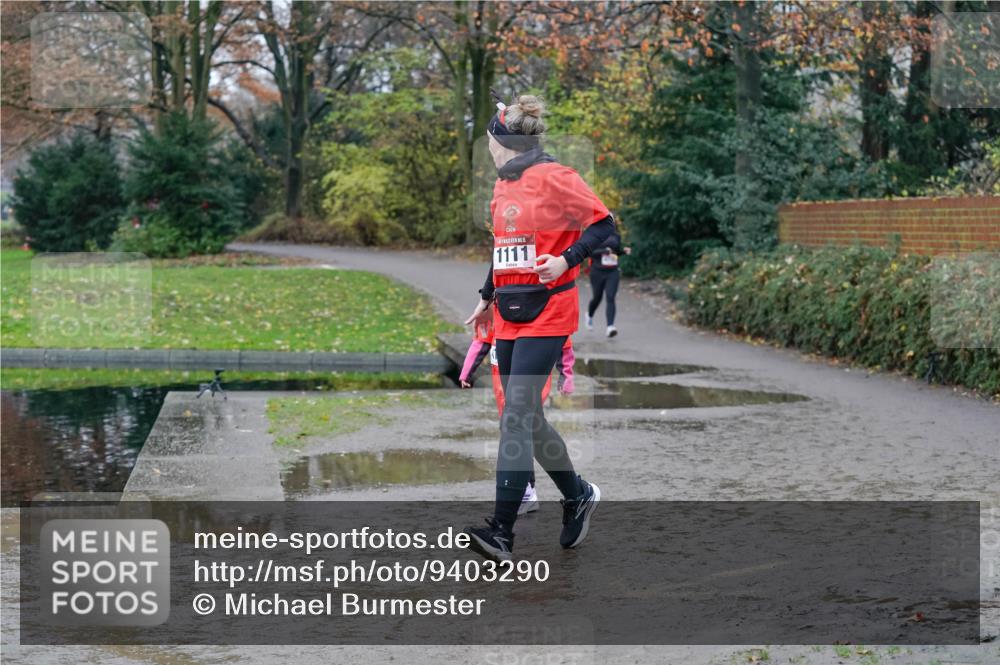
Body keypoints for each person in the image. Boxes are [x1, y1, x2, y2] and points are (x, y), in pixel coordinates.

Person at [462, 93, 614, 562]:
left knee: (515, 414)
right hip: (509, 312)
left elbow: (606, 229)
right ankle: (578, 494)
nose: (486, 147)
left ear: (497, 139)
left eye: (487, 139)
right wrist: (487, 298)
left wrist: (566, 259)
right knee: (527, 418)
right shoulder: (503, 187)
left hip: (550, 312)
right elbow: (502, 248)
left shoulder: (556, 177)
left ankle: (501, 533)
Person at [458, 319, 576, 515]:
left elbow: (564, 345)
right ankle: (559, 492)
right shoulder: (495, 316)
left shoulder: (542, 317)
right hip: (502, 391)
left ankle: (526, 493)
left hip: (529, 388)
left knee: (518, 430)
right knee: (522, 432)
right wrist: (466, 372)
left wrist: (567, 376)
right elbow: (480, 343)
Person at [585, 231, 630, 337]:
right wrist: (603, 251)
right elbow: (589, 252)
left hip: (612, 271)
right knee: (597, 297)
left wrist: (623, 251)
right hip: (597, 272)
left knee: (610, 297)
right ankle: (589, 315)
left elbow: (615, 252)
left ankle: (610, 327)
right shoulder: (594, 234)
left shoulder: (616, 235)